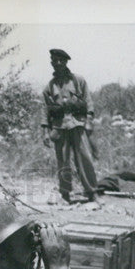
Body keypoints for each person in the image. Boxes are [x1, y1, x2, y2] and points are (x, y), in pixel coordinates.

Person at [42, 49, 99, 203]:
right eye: (55, 61)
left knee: (85, 159)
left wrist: (88, 121)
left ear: (66, 62)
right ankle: (65, 194)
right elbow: (45, 110)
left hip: (78, 125)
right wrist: (45, 132)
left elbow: (88, 101)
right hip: (60, 127)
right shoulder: (49, 86)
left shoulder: (78, 80)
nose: (58, 63)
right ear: (52, 63)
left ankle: (92, 192)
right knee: (63, 162)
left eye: (61, 60)